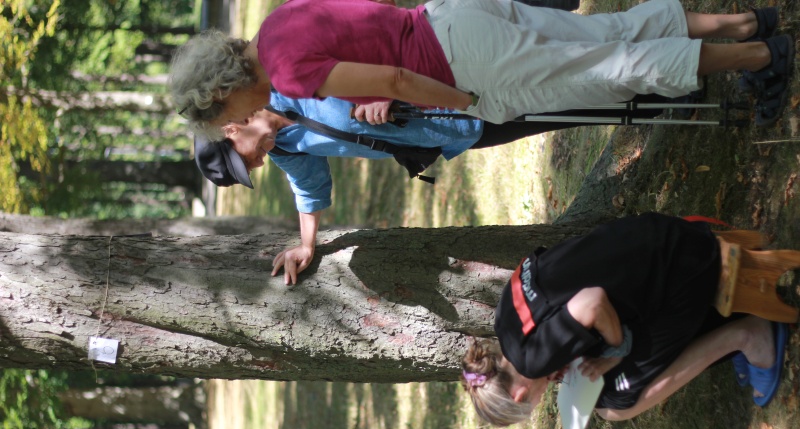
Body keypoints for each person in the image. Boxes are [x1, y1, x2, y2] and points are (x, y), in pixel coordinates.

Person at [195, 91, 675, 284]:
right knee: (548, 116)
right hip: (444, 133)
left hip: (444, 87)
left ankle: (657, 80)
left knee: (550, 90)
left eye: (244, 162)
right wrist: (306, 245)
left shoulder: (280, 82)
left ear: (232, 130)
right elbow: (310, 190)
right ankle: (657, 102)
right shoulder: (287, 149)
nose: (256, 165)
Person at [169, 0, 793, 139]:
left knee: (611, 66)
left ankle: (761, 56)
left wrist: (464, 102)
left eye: (229, 112)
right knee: (611, 32)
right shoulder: (278, 20)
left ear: (222, 89)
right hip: (449, 17)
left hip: (461, 62)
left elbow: (393, 84)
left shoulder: (286, 73)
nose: (244, 117)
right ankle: (745, 23)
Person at [461, 213, 790, 426]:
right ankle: (729, 330)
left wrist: (616, 351)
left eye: (531, 404)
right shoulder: (505, 322)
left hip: (681, 270)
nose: (540, 397)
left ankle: (746, 335)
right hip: (658, 236)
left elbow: (593, 302)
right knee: (608, 375)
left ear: (519, 396)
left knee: (614, 404)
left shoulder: (533, 362)